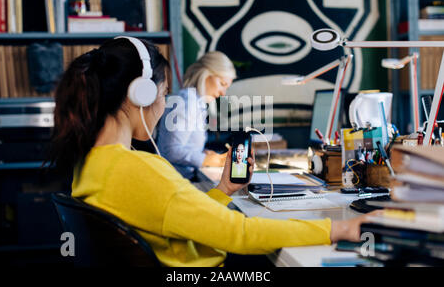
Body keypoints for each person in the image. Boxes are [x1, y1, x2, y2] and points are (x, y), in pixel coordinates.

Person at [49, 37, 377, 267]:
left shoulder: (90, 164)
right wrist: (339, 228)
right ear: (141, 93)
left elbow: (173, 217)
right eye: (163, 94)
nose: (163, 107)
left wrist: (222, 190)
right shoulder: (140, 169)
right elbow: (240, 233)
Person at [157, 51, 236, 180]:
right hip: (174, 181)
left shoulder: (197, 102)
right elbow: (171, 151)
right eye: (222, 84)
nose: (223, 93)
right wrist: (207, 160)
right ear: (206, 74)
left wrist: (202, 154)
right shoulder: (187, 102)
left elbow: (183, 145)